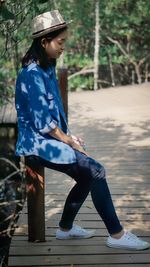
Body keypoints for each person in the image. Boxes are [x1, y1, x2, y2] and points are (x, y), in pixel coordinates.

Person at [15, 10, 150, 250]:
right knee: (96, 171)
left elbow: (52, 113)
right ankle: (116, 235)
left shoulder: (47, 67)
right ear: (44, 42)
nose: (63, 47)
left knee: (87, 173)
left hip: (46, 138)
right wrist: (67, 140)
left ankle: (65, 229)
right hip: (35, 143)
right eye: (60, 42)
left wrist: (70, 137)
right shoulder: (32, 74)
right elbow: (42, 123)